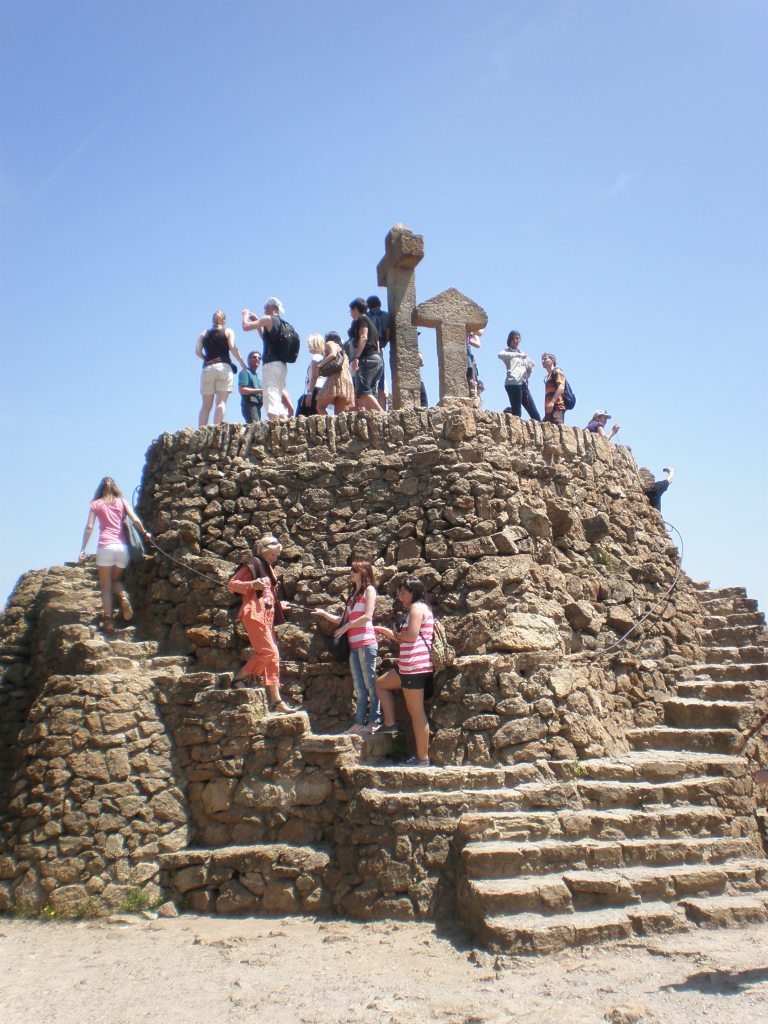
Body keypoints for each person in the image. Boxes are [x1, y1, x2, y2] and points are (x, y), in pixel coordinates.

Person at [226, 535, 297, 713]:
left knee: (274, 657)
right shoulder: (252, 564)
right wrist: (252, 584)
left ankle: (276, 700)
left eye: (276, 555)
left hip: (267, 616)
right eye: (273, 554)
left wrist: (280, 605)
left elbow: (268, 595)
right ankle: (239, 678)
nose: (275, 558)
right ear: (264, 550)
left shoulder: (267, 567)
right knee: (268, 652)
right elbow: (232, 584)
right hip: (254, 613)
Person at [312, 562, 380, 734]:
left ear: (363, 572)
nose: (351, 573)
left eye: (355, 570)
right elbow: (342, 620)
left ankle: (374, 721)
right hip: (354, 645)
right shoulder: (353, 596)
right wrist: (323, 613)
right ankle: (359, 723)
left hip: (366, 642)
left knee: (371, 683)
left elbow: (368, 616)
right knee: (360, 687)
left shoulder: (369, 590)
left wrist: (348, 626)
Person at [374, 577, 434, 767]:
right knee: (381, 684)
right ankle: (390, 724)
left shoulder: (416, 608)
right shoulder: (418, 609)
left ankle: (422, 758)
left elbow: (412, 636)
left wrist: (398, 633)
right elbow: (405, 638)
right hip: (408, 666)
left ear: (414, 593)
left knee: (416, 713)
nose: (400, 595)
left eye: (404, 592)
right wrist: (386, 631)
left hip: (413, 666)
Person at [79, 477, 151, 634]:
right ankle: (122, 595)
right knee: (115, 580)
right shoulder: (122, 502)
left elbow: (89, 527)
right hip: (122, 548)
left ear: (100, 489)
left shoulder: (96, 504)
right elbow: (135, 519)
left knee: (105, 586)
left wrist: (83, 549)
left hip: (105, 547)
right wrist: (145, 533)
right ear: (115, 488)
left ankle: (109, 623)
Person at [241, 297, 289, 421]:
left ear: (271, 307)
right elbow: (266, 340)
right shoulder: (283, 324)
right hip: (282, 366)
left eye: (265, 308)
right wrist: (258, 322)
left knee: (270, 396)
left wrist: (245, 315)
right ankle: (283, 422)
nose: (264, 310)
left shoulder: (268, 319)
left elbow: (245, 326)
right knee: (277, 396)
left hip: (271, 365)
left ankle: (274, 425)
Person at [196, 311, 246, 426]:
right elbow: (232, 347)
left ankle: (201, 430)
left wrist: (206, 358)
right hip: (224, 367)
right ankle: (216, 427)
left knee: (206, 406)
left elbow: (197, 352)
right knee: (221, 402)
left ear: (212, 320)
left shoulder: (203, 333)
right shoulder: (228, 331)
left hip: (208, 368)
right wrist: (242, 362)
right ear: (224, 321)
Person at [348, 298, 385, 412]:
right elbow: (378, 344)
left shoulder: (362, 319)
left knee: (363, 391)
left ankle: (383, 415)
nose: (350, 313)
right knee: (371, 392)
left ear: (356, 309)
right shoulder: (372, 324)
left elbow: (363, 337)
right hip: (377, 359)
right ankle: (376, 418)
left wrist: (356, 357)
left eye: (351, 310)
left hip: (368, 359)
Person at [497, 331, 540, 419]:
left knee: (534, 412)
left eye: (517, 338)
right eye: (513, 339)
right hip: (513, 383)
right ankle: (515, 427)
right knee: (517, 411)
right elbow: (500, 355)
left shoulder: (522, 353)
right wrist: (517, 355)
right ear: (509, 340)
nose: (515, 341)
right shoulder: (508, 352)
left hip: (522, 383)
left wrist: (530, 368)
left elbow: (527, 374)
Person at [316, 331, 355, 415]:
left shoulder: (330, 343)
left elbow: (333, 354)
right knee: (339, 415)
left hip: (336, 378)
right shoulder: (343, 352)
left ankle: (329, 424)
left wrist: (319, 365)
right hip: (347, 381)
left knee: (319, 406)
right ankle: (334, 424)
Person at [367, 295, 391, 409]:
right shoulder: (386, 316)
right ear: (380, 304)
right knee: (381, 379)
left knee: (368, 381)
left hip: (368, 351)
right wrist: (384, 342)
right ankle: (382, 408)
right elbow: (388, 332)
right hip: (379, 349)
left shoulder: (365, 317)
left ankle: (370, 408)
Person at [297, 333, 326, 416]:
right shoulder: (322, 357)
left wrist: (310, 393)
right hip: (320, 389)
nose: (308, 345)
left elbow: (314, 376)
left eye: (310, 343)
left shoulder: (316, 357)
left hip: (315, 389)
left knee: (311, 415)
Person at [238, 351, 263, 423]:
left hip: (257, 406)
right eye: (254, 357)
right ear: (248, 360)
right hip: (249, 404)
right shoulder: (245, 372)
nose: (257, 359)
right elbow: (242, 390)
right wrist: (261, 390)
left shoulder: (257, 378)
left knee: (258, 426)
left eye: (259, 358)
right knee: (255, 426)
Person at [541, 352, 566, 424]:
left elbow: (561, 387)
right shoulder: (548, 376)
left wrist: (552, 402)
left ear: (552, 360)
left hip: (557, 407)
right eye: (542, 360)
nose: (543, 361)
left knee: (557, 428)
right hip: (550, 409)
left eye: (545, 359)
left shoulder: (557, 370)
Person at [466, 329, 482, 404]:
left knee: (471, 379)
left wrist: (468, 340)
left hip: (468, 355)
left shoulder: (471, 331)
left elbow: (478, 344)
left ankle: (474, 400)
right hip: (464, 354)